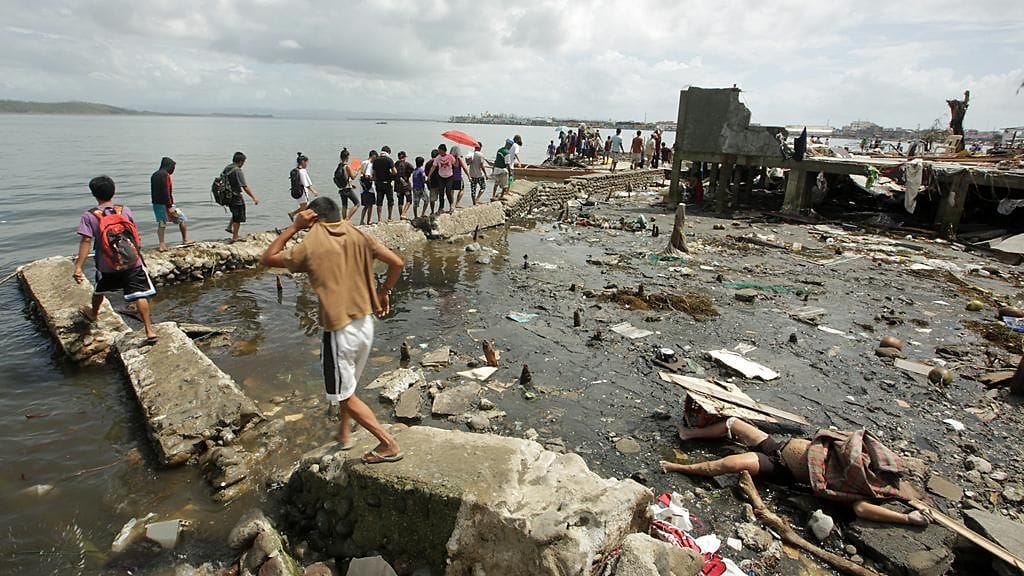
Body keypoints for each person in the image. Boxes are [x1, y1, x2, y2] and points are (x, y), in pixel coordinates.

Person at [260, 196, 404, 464]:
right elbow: (397, 263)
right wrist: (384, 292)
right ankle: (344, 432)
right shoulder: (356, 233)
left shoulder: (312, 245)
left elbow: (267, 258)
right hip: (365, 324)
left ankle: (388, 444)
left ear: (312, 217)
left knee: (345, 396)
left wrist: (293, 227)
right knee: (346, 386)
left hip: (340, 331)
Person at [660, 418, 930, 526]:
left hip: (780, 468)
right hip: (780, 445)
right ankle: (691, 433)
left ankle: (679, 466)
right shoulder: (872, 461)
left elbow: (861, 510)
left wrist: (907, 519)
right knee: (734, 423)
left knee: (729, 464)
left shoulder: (867, 489)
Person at [74, 175, 158, 344]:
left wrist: (78, 267)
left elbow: (86, 241)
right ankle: (149, 330)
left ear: (94, 194)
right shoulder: (124, 210)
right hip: (132, 261)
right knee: (139, 294)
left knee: (99, 290)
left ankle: (93, 313)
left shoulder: (89, 216)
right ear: (113, 191)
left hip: (107, 265)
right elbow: (133, 234)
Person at [150, 156, 188, 251]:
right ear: (168, 166)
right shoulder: (165, 175)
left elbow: (153, 191)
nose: (173, 170)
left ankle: (162, 245)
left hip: (157, 204)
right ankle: (185, 240)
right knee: (181, 218)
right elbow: (166, 191)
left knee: (162, 223)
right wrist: (169, 206)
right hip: (166, 205)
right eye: (173, 167)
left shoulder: (154, 175)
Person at [224, 151, 259, 242]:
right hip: (235, 195)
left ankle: (229, 227)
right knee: (238, 215)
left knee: (235, 212)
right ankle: (235, 237)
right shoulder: (237, 170)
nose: (243, 164)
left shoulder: (228, 168)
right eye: (243, 162)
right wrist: (254, 197)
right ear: (240, 161)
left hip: (227, 195)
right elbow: (245, 186)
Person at [288, 153, 319, 220]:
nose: (307, 164)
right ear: (303, 162)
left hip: (296, 191)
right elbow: (307, 184)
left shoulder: (296, 170)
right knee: (305, 207)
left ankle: (294, 215)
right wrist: (314, 191)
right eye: (306, 162)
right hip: (302, 192)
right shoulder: (302, 171)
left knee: (304, 207)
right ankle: (296, 217)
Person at [427, 143, 456, 215]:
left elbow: (454, 164)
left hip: (449, 177)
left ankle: (451, 205)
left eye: (440, 150)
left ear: (443, 150)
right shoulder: (438, 158)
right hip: (441, 177)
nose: (439, 152)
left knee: (448, 192)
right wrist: (429, 175)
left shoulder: (450, 156)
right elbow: (433, 167)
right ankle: (441, 207)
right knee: (441, 193)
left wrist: (456, 159)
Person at [372, 146, 397, 223]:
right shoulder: (389, 160)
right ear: (388, 152)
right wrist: (389, 174)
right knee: (390, 201)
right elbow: (395, 172)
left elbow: (374, 173)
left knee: (379, 201)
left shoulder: (376, 160)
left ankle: (379, 219)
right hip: (387, 183)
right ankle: (389, 218)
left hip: (379, 183)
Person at [334, 148, 360, 221]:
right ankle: (347, 219)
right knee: (357, 203)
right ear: (347, 157)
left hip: (341, 189)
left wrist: (352, 185)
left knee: (344, 205)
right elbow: (353, 177)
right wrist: (357, 171)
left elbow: (344, 178)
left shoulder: (339, 166)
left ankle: (343, 220)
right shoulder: (347, 166)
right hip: (347, 189)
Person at [449, 145, 472, 210]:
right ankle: (458, 203)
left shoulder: (449, 158)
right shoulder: (459, 159)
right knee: (462, 189)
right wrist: (469, 176)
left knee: (451, 191)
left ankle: (451, 205)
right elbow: (464, 168)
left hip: (450, 177)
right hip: (458, 177)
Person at [394, 150, 414, 220]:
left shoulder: (395, 164)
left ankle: (401, 216)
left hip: (398, 186)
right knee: (409, 200)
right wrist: (407, 175)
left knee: (400, 201)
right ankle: (403, 213)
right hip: (406, 185)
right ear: (404, 157)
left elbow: (392, 173)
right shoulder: (407, 164)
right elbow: (412, 169)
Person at [358, 150, 377, 226]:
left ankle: (361, 221)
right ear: (373, 156)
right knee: (370, 205)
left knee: (365, 206)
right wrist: (374, 178)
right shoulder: (370, 164)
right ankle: (369, 221)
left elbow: (362, 173)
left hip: (362, 187)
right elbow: (367, 175)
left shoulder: (363, 162)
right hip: (369, 188)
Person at [425, 149, 440, 215]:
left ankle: (432, 211)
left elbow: (426, 173)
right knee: (441, 196)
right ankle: (440, 209)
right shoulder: (439, 162)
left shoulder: (428, 163)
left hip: (432, 183)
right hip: (440, 182)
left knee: (432, 199)